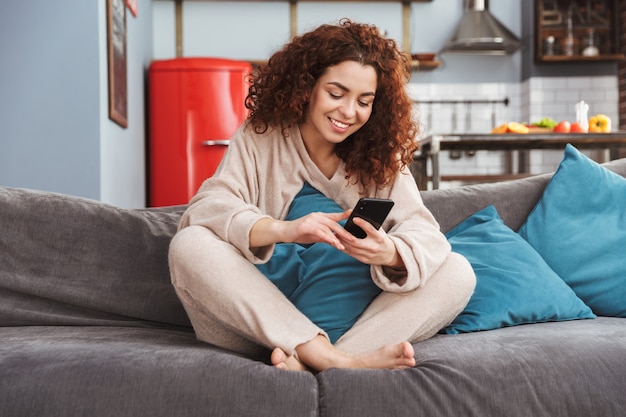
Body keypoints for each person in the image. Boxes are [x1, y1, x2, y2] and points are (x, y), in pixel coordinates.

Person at [168, 19, 475, 372]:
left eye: (364, 101)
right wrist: (285, 230)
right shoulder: (262, 136)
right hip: (254, 325)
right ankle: (331, 359)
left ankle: (321, 359)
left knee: (458, 271)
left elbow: (425, 234)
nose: (348, 112)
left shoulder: (380, 155)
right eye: (336, 93)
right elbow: (208, 206)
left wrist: (389, 252)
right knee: (189, 244)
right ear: (307, 86)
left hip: (344, 323)